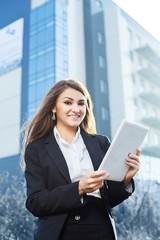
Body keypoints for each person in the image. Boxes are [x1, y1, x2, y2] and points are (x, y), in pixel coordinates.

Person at [23, 79, 141, 240]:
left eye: (81, 103)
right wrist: (79, 188)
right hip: (60, 232)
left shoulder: (101, 143)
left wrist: (126, 179)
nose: (76, 109)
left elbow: (109, 199)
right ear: (53, 107)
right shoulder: (36, 149)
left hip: (100, 228)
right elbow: (35, 202)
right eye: (68, 102)